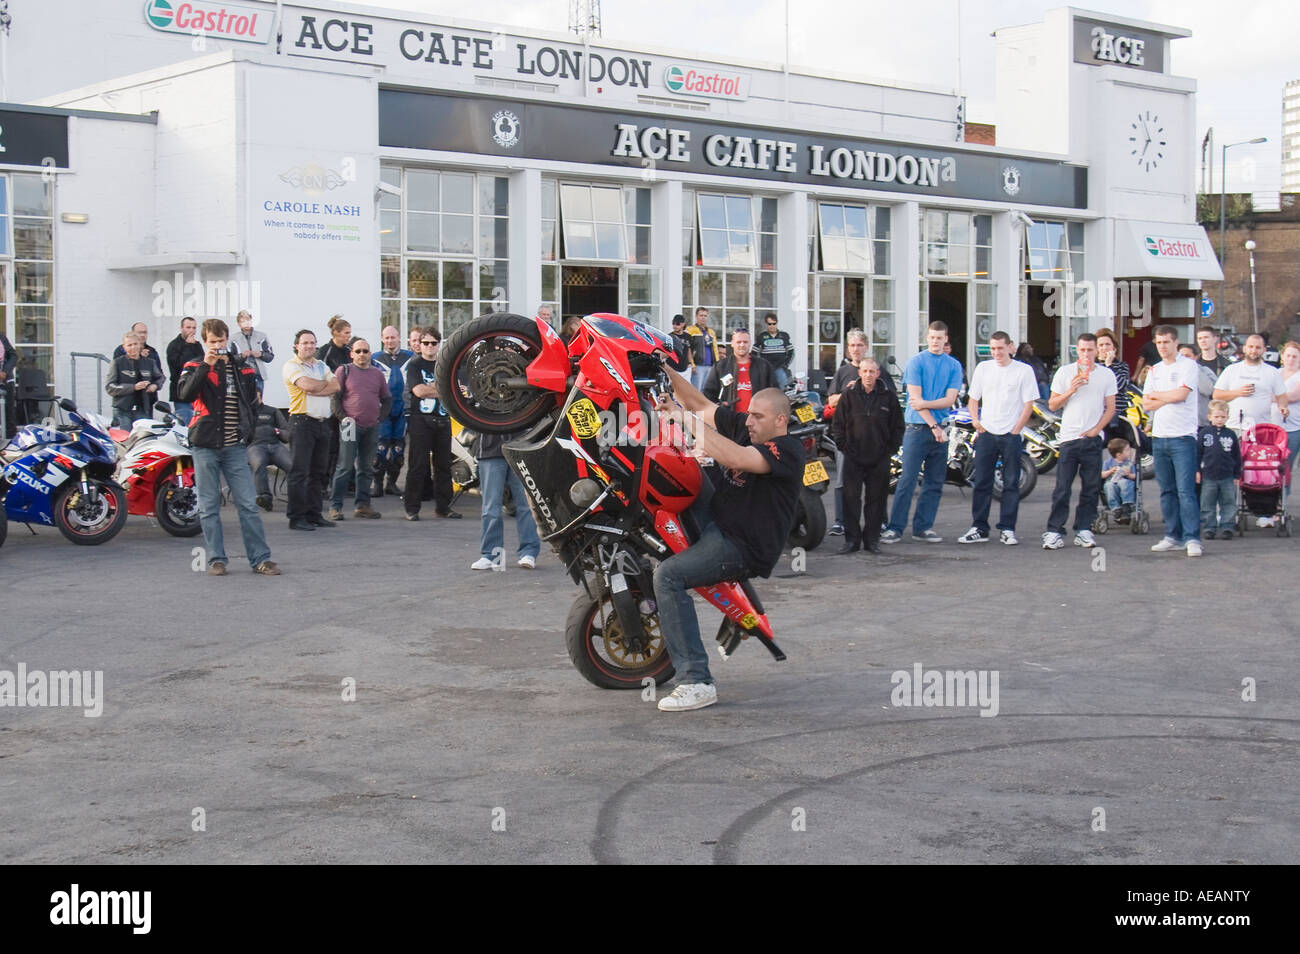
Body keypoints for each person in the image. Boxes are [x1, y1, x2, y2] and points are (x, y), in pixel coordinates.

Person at [651, 372, 804, 712]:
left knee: (668, 576)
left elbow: (735, 458)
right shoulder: (747, 426)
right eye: (748, 413)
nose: (748, 421)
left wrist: (683, 417)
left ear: (780, 420)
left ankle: (696, 682)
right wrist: (665, 369)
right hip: (718, 516)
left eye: (757, 416)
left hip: (742, 545)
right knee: (663, 476)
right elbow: (700, 404)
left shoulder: (787, 450)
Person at [174, 319, 279, 576]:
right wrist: (206, 365)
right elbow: (184, 395)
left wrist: (250, 432)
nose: (218, 346)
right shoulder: (193, 365)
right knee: (209, 507)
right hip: (204, 445)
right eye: (213, 342)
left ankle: (260, 559)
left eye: (221, 341)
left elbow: (252, 404)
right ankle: (216, 559)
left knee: (248, 504)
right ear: (205, 342)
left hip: (234, 446)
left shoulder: (242, 368)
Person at [881, 322, 963, 545]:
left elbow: (949, 400)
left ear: (946, 339)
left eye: (940, 338)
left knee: (935, 482)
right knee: (907, 480)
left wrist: (928, 408)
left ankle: (923, 527)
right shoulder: (916, 362)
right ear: (926, 338)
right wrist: (934, 425)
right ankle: (895, 528)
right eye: (932, 338)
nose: (936, 342)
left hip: (941, 430)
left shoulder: (954, 366)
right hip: (918, 429)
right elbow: (914, 402)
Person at [958, 331, 1039, 546]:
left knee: (1011, 483)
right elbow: (973, 399)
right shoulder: (984, 369)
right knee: (982, 481)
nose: (996, 353)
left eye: (1000, 348)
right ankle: (979, 527)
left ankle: (1008, 528)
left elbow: (1028, 404)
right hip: (987, 433)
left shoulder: (1023, 371)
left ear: (1010, 347)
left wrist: (1016, 429)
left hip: (1010, 435)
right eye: (992, 349)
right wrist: (976, 422)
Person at [1041, 333, 1116, 551]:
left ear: (1097, 351)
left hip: (1092, 439)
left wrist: (1096, 429)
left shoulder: (1105, 375)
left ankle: (1084, 528)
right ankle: (1054, 530)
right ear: (1077, 350)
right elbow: (1053, 404)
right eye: (1082, 350)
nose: (1086, 354)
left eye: (1090, 350)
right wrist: (1071, 389)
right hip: (1069, 438)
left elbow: (1110, 407)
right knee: (1062, 487)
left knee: (1091, 487)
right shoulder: (1065, 372)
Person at [830, 357, 903, 554]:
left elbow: (898, 426)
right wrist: (843, 446)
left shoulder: (888, 397)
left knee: (876, 500)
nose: (868, 375)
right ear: (859, 373)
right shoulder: (849, 395)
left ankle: (872, 541)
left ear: (878, 373)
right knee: (851, 499)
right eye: (865, 371)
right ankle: (851, 541)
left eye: (872, 371)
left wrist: (890, 449)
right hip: (853, 456)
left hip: (879, 458)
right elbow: (837, 424)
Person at [826, 329, 894, 537]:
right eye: (852, 346)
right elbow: (830, 401)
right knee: (843, 482)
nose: (856, 349)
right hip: (848, 437)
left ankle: (880, 522)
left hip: (874, 439)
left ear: (866, 347)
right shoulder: (843, 372)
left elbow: (890, 399)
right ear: (848, 349)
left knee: (877, 482)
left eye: (860, 345)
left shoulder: (879, 370)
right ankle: (841, 522)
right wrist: (848, 391)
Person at [1142, 325, 1203, 556]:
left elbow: (1182, 395)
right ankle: (1172, 534)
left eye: (1166, 342)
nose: (1162, 347)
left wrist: (1160, 396)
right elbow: (1146, 403)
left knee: (1185, 490)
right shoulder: (1155, 370)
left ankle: (1192, 537)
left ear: (1175, 342)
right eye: (1159, 343)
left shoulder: (1188, 366)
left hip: (1183, 436)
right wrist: (1165, 397)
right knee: (1166, 490)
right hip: (1160, 435)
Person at [328, 337, 391, 521]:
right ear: (351, 354)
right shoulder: (344, 370)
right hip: (349, 426)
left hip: (371, 426)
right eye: (358, 351)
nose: (362, 354)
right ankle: (335, 506)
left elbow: (387, 398)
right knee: (345, 466)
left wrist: (380, 417)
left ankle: (363, 505)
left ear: (370, 353)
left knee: (366, 467)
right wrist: (343, 418)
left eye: (365, 351)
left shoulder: (377, 373)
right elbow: (335, 397)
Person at [282, 329, 339, 531]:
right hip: (302, 422)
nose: (309, 346)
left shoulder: (321, 365)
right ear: (297, 345)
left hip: (323, 423)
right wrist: (322, 386)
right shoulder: (291, 366)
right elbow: (306, 386)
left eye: (312, 343)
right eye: (305, 342)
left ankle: (314, 514)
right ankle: (296, 517)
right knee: (299, 472)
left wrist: (318, 387)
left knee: (318, 472)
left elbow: (337, 385)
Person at [404, 328, 460, 521]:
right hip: (421, 420)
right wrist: (444, 390)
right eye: (426, 343)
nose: (429, 346)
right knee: (418, 466)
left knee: (444, 466)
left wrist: (438, 389)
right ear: (419, 344)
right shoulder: (414, 365)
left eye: (433, 343)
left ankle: (444, 507)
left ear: (439, 344)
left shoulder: (445, 365)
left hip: (443, 420)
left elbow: (458, 389)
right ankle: (412, 508)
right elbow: (419, 391)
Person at [471, 428, 541, 571]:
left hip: (521, 447)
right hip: (490, 449)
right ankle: (492, 556)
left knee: (526, 505)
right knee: (491, 507)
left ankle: (529, 553)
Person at [1213, 333, 1288, 433]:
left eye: (1258, 347)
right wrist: (1238, 393)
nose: (1253, 351)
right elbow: (1217, 395)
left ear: (1264, 350)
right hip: (1234, 426)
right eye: (1250, 347)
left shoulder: (1272, 372)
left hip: (1261, 428)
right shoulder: (1232, 369)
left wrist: (1283, 407)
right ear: (1244, 348)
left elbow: (1282, 396)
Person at [372, 325, 412, 498]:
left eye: (392, 337)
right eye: (386, 338)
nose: (390, 341)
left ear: (399, 338)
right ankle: (377, 485)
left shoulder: (410, 357)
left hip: (403, 409)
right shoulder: (374, 358)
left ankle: (392, 484)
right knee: (379, 450)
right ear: (382, 339)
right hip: (382, 410)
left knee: (398, 450)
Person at [317, 315, 353, 494]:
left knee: (346, 444)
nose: (349, 336)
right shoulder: (325, 351)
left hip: (348, 404)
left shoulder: (349, 351)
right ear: (336, 333)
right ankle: (323, 484)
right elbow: (321, 375)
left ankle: (344, 484)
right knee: (330, 446)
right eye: (346, 333)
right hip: (331, 404)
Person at [1199, 399, 1242, 541]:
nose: (1219, 420)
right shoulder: (1204, 434)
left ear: (1227, 418)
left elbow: (1236, 455)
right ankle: (1209, 526)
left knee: (1228, 501)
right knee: (1207, 501)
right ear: (1210, 416)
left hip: (1227, 475)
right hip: (1209, 475)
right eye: (1216, 417)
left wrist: (1237, 473)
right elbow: (1198, 453)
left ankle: (1227, 526)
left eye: (1223, 417)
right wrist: (1197, 471)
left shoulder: (1230, 435)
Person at [702, 329, 774, 412]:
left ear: (750, 343)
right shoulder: (721, 366)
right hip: (730, 419)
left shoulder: (764, 366)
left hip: (757, 419)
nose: (742, 345)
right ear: (732, 344)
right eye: (738, 342)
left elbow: (774, 392)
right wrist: (719, 406)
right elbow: (708, 393)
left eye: (745, 342)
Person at [105, 332, 161, 429]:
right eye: (129, 345)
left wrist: (155, 385)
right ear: (124, 347)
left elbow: (160, 377)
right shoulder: (117, 363)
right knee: (125, 440)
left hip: (143, 409)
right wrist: (133, 387)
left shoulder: (150, 362)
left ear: (140, 345)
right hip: (122, 409)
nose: (133, 347)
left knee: (143, 439)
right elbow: (110, 387)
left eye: (135, 344)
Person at [247, 401, 292, 512]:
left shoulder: (272, 411)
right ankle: (264, 497)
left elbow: (287, 434)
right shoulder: (245, 411)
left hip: (275, 445)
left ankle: (297, 498)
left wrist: (275, 431)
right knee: (259, 463)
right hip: (254, 446)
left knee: (292, 466)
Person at [165, 316, 203, 425]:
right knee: (185, 424)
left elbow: (202, 364)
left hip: (196, 392)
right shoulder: (174, 345)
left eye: (194, 328)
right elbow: (178, 366)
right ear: (182, 328)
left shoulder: (197, 345)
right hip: (181, 393)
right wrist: (187, 346)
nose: (191, 330)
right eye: (188, 327)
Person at [1095, 328, 1131, 440]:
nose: (1104, 348)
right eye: (1101, 345)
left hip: (1117, 415)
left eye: (1107, 344)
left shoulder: (1122, 366)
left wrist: (1109, 365)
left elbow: (1120, 385)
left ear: (1114, 347)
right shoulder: (1091, 367)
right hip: (1096, 414)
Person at [231, 310, 274, 395]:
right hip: (242, 375)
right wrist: (242, 356)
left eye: (248, 320)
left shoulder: (262, 336)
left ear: (251, 320)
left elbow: (270, 356)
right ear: (239, 323)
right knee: (244, 400)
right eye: (243, 321)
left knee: (258, 400)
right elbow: (230, 359)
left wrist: (261, 354)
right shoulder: (233, 338)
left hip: (258, 375)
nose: (246, 323)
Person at [1279, 341, 1300, 485]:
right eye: (1288, 355)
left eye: (1295, 356)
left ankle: (1283, 499)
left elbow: (1292, 397)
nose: (1291, 359)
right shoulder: (1274, 373)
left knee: (1286, 467)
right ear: (1282, 357)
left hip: (1293, 428)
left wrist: (1273, 396)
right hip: (1272, 427)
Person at [685, 307, 720, 391]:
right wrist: (692, 364)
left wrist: (717, 364)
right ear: (696, 316)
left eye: (705, 316)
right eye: (701, 315)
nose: (703, 317)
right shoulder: (690, 330)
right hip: (698, 365)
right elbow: (687, 349)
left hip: (710, 366)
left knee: (707, 390)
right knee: (697, 390)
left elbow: (715, 349)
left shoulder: (711, 332)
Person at [758, 313, 794, 390]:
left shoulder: (784, 335)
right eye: (769, 324)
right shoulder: (762, 336)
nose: (772, 326)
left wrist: (786, 365)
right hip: (766, 367)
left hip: (780, 367)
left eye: (774, 323)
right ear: (766, 324)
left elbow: (791, 352)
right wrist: (759, 365)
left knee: (783, 388)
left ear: (777, 323)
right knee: (765, 388)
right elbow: (755, 352)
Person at [1102, 437, 1137, 514]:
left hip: (1125, 483)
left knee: (1124, 482)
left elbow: (1134, 476)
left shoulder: (1129, 463)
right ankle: (1115, 507)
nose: (1130, 452)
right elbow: (1102, 475)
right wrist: (1110, 471)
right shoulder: (1108, 463)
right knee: (1109, 486)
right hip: (1112, 482)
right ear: (1119, 455)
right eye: (1127, 450)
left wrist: (1128, 474)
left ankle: (1127, 503)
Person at [0, 329, 17, 438]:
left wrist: (5, 372)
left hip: (6, 382)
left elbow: (13, 356)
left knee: (9, 414)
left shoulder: (1, 337)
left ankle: (10, 443)